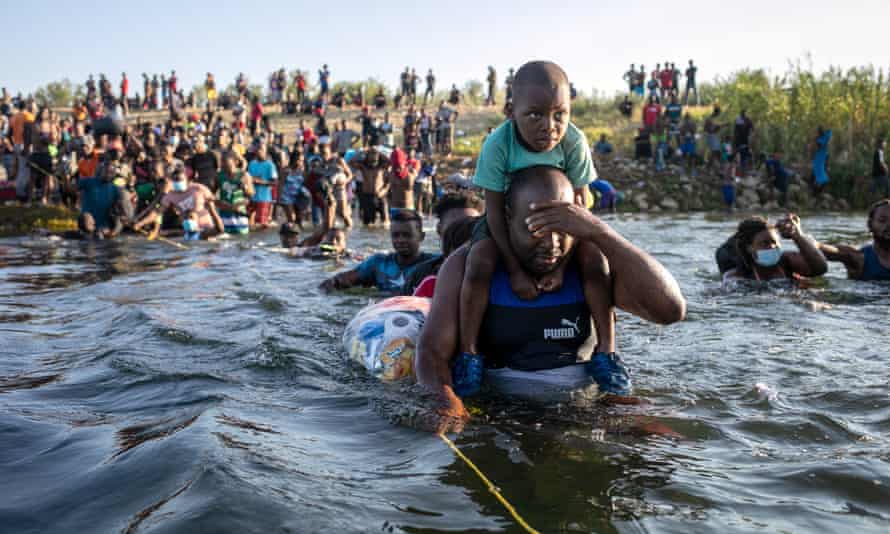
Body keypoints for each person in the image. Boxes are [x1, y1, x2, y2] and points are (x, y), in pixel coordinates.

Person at [415, 166, 686, 432]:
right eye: (538, 229)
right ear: (507, 219)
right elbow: (431, 352)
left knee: (666, 445)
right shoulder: (469, 265)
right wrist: (445, 401)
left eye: (563, 229)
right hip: (499, 410)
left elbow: (670, 310)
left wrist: (600, 232)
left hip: (585, 406)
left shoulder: (590, 266)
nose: (552, 244)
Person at [460, 61, 616, 387]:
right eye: (535, 115)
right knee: (478, 261)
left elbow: (582, 206)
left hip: (565, 224)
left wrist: (562, 267)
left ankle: (607, 352)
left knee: (597, 260)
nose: (550, 126)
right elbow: (492, 212)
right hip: (508, 221)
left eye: (560, 114)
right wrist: (515, 269)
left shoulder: (574, 142)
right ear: (511, 111)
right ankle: (469, 353)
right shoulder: (498, 144)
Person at [320, 209, 436, 292]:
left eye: (407, 235)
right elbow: (340, 280)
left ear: (421, 236)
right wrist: (331, 284)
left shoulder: (435, 264)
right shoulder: (378, 263)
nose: (400, 240)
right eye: (395, 235)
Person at [401, 190, 485, 295]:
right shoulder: (421, 276)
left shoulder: (499, 275)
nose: (462, 236)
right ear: (439, 230)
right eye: (454, 230)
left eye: (470, 227)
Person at [720, 215, 827, 282]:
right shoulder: (736, 276)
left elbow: (820, 268)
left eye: (775, 242)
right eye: (765, 243)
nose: (772, 247)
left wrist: (797, 236)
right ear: (750, 248)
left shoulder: (786, 261)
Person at [134, 164, 223, 240]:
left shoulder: (199, 189)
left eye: (180, 179)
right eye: (175, 180)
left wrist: (231, 208)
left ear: (186, 179)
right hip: (188, 231)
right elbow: (157, 212)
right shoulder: (170, 196)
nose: (177, 182)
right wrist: (140, 224)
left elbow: (216, 202)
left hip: (208, 230)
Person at [814, 199, 890, 281]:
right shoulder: (859, 258)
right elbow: (833, 250)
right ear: (870, 224)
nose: (889, 225)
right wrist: (810, 243)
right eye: (882, 220)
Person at [217, 151, 254, 235]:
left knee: (242, 240)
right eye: (222, 163)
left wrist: (245, 188)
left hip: (240, 214)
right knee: (224, 241)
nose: (223, 166)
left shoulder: (244, 175)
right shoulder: (219, 176)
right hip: (224, 214)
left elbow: (251, 194)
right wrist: (220, 203)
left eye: (226, 164)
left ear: (236, 162)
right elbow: (211, 196)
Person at [353, 146, 390, 226]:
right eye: (371, 154)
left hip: (380, 196)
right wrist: (363, 151)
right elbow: (351, 162)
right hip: (367, 196)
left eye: (375, 154)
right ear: (367, 155)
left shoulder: (381, 167)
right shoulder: (363, 167)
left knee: (386, 223)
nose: (373, 156)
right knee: (368, 225)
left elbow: (390, 162)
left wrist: (378, 151)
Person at [247, 143, 278, 228]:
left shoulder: (270, 165)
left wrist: (260, 182)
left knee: (261, 224)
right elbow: (248, 178)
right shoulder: (252, 163)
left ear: (265, 151)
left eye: (261, 149)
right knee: (249, 223)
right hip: (252, 197)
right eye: (258, 149)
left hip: (264, 198)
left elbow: (274, 182)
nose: (259, 151)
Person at [278, 153, 310, 227]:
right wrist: (278, 198)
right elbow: (280, 185)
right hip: (286, 197)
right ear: (294, 160)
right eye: (299, 160)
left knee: (299, 220)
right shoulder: (286, 171)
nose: (300, 162)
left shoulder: (302, 171)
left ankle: (295, 233)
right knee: (292, 218)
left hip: (298, 197)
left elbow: (305, 184)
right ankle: (289, 233)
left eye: (302, 161)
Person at [811, 127, 832, 194]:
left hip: (822, 158)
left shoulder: (821, 140)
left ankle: (817, 191)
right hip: (822, 158)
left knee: (820, 176)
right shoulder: (823, 138)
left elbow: (817, 146)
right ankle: (817, 190)